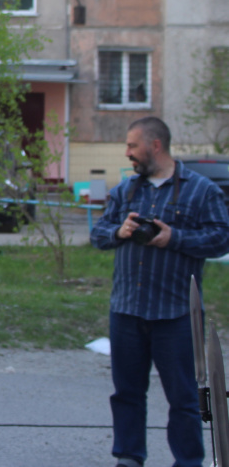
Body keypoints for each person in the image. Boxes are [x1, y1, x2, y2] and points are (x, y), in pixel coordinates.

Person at [90, 116, 229, 467]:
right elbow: (97, 234)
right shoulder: (126, 191)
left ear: (155, 145)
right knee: (127, 393)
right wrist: (119, 232)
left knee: (183, 397)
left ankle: (188, 461)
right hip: (126, 309)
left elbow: (222, 238)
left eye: (132, 146)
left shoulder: (201, 190)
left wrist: (174, 238)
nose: (127, 154)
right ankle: (129, 457)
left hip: (176, 312)